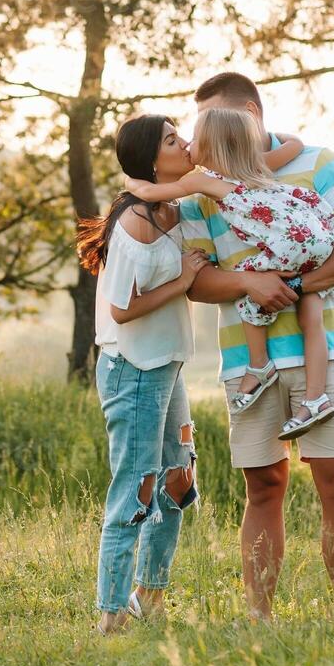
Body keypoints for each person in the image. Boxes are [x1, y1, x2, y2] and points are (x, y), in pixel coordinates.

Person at [178, 72, 334, 622]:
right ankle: (259, 617)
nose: (209, 143)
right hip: (248, 362)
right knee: (263, 484)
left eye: (218, 125)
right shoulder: (205, 188)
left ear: (251, 113)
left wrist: (293, 287)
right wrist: (249, 283)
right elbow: (195, 281)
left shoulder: (319, 164)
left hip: (324, 351)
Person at [123, 106, 334, 440]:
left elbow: (152, 193)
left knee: (248, 287)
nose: (187, 144)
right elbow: (294, 146)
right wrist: (289, 137)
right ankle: (316, 398)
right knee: (311, 316)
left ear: (213, 148)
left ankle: (259, 364)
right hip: (319, 235)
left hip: (290, 245)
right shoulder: (254, 166)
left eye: (194, 138)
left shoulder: (202, 180)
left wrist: (130, 180)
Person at [76, 114, 205, 635]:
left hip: (167, 364)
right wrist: (185, 280)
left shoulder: (176, 208)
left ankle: (148, 597)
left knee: (179, 476)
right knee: (137, 486)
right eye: (173, 140)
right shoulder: (133, 224)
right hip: (132, 369)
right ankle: (110, 615)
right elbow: (123, 309)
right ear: (153, 160)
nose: (186, 143)